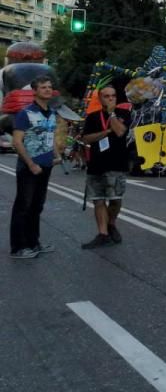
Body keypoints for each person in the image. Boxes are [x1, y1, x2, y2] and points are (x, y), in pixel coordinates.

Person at [8, 76, 65, 259]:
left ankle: (34, 242)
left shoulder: (51, 113)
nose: (48, 90)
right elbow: (17, 142)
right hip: (29, 167)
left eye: (49, 87)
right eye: (43, 87)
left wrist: (56, 155)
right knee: (23, 206)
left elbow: (49, 137)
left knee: (37, 206)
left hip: (46, 166)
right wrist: (31, 164)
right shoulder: (26, 113)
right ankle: (18, 247)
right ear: (35, 91)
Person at [78, 86, 132, 249]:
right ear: (100, 99)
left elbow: (120, 131)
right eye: (106, 96)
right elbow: (87, 138)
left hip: (116, 164)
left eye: (113, 96)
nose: (110, 99)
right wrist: (106, 131)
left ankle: (111, 223)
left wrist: (111, 114)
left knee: (115, 199)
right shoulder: (93, 117)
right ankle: (102, 234)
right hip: (96, 164)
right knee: (98, 200)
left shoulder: (124, 115)